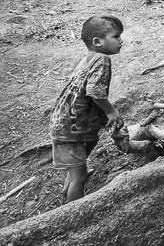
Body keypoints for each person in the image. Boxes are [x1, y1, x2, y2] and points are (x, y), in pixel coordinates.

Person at [50, 16, 125, 202]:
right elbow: (94, 91)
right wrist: (110, 111)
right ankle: (74, 211)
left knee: (77, 169)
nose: (121, 40)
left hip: (64, 123)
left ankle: (67, 192)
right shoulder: (102, 59)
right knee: (80, 177)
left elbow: (82, 93)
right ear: (97, 42)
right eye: (116, 36)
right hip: (71, 128)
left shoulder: (87, 59)